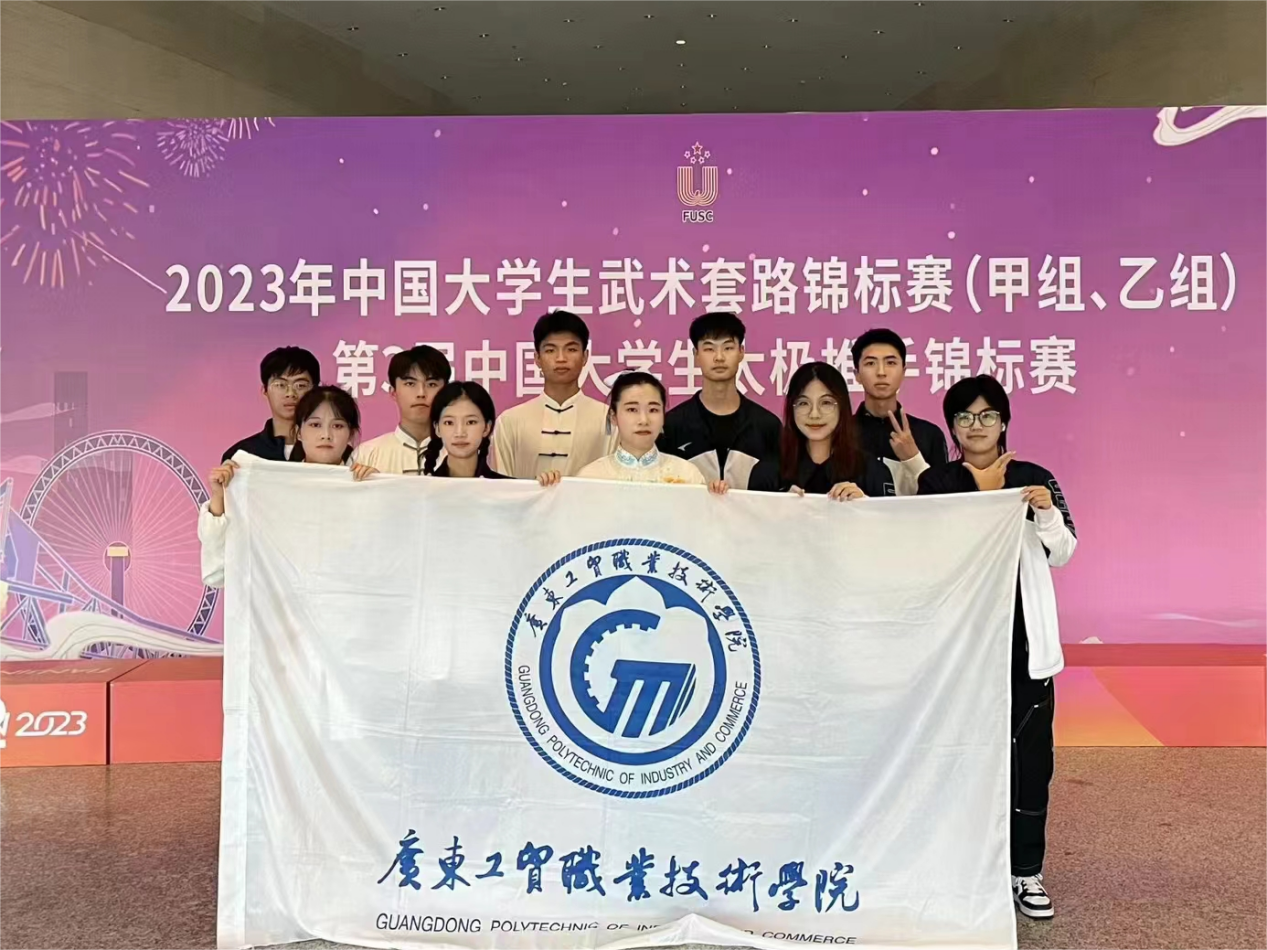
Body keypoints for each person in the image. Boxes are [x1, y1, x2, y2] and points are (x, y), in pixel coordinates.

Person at [917, 374, 1077, 920]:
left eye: (987, 415)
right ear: (952, 427)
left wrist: (1046, 512)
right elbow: (925, 551)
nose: (976, 426)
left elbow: (1064, 551)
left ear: (1004, 421)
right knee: (959, 753)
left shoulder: (1034, 479)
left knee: (1030, 759)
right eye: (965, 417)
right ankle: (965, 868)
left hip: (1024, 641)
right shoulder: (938, 482)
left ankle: (1026, 871)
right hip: (962, 643)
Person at [200, 385, 377, 588]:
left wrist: (378, 490)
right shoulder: (269, 490)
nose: (326, 435)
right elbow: (218, 574)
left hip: (344, 603)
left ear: (351, 434)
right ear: (298, 432)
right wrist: (220, 498)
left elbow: (382, 564)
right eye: (315, 425)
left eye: (337, 426)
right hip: (283, 606)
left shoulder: (365, 487)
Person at [658, 312, 781, 488]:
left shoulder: (768, 426)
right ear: (696, 354)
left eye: (728, 348)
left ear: (741, 352)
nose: (719, 357)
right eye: (709, 349)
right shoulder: (671, 426)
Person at [540, 373, 723, 490]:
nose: (644, 420)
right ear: (614, 416)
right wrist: (550, 491)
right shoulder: (591, 477)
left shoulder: (687, 475)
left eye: (653, 409)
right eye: (632, 410)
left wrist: (718, 498)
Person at [493, 311, 613, 478]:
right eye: (550, 350)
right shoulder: (510, 422)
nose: (561, 358)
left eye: (571, 349)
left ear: (585, 356)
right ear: (537, 358)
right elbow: (500, 487)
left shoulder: (608, 419)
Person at [749, 362, 894, 499]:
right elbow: (750, 517)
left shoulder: (873, 471)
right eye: (803, 403)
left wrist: (865, 505)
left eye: (826, 403)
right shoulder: (766, 472)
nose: (814, 414)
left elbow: (891, 516)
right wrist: (777, 509)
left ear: (842, 407)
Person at [850, 328, 948, 494]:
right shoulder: (840, 433)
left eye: (890, 363)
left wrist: (912, 457)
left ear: (903, 372)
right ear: (857, 374)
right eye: (870, 363)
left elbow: (943, 500)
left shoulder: (929, 434)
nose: (881, 372)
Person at [355, 345, 452, 474]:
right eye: (410, 384)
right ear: (393, 392)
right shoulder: (366, 455)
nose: (421, 393)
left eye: (431, 384)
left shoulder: (461, 454)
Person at [221, 346, 321, 462]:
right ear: (265, 390)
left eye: (300, 385)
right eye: (280, 385)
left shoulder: (332, 452)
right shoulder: (242, 454)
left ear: (315, 390)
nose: (290, 393)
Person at [421, 382, 509, 479]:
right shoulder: (422, 488)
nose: (460, 433)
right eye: (449, 422)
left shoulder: (507, 487)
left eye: (470, 422)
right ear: (437, 428)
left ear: (486, 428)